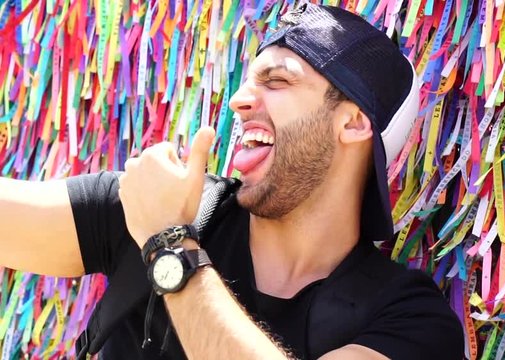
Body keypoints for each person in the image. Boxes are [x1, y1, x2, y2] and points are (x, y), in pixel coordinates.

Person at [0, 3, 464, 360]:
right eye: (247, 82)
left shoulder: (410, 319)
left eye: (277, 81)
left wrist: (169, 249)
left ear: (354, 123)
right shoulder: (165, 207)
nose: (240, 100)